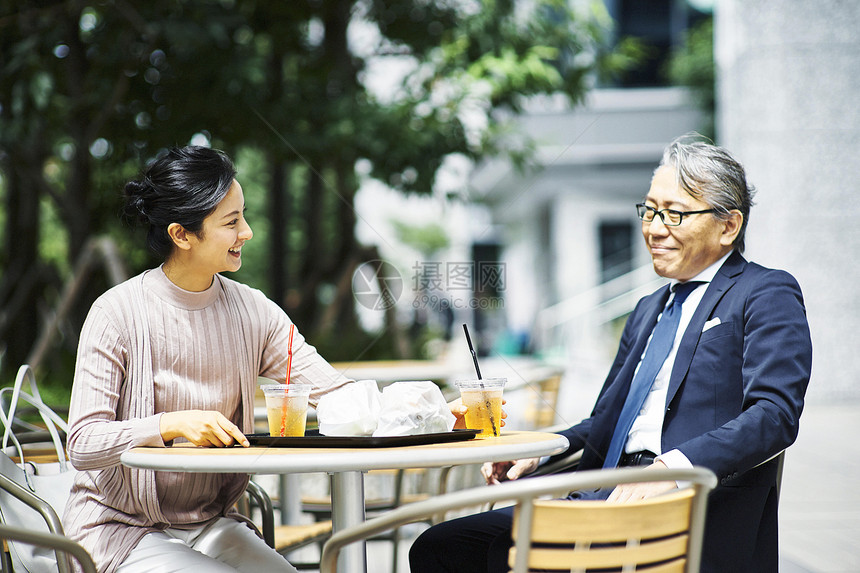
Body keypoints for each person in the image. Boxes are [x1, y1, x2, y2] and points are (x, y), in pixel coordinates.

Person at [409, 136, 813, 573]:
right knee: (442, 546)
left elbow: (774, 415)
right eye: (651, 210)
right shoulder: (646, 311)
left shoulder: (764, 291)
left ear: (728, 226)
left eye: (675, 213)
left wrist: (671, 470)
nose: (655, 228)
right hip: (606, 492)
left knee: (502, 554)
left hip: (690, 504)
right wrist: (543, 451)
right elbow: (605, 423)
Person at [60, 146, 465, 573]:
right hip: (122, 529)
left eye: (244, 216)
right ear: (182, 235)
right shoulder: (116, 313)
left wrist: (430, 412)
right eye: (231, 222)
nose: (247, 232)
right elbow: (83, 442)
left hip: (209, 525)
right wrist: (170, 424)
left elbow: (335, 393)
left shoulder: (253, 311)